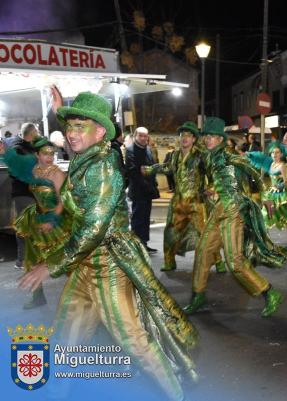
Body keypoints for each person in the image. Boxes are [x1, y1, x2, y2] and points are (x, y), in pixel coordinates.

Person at [18, 90, 198, 400]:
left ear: (100, 131)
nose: (71, 134)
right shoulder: (85, 156)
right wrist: (59, 112)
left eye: (80, 127)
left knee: (136, 342)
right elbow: (78, 207)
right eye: (69, 127)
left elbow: (93, 227)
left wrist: (51, 263)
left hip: (109, 265)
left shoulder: (104, 164)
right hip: (85, 265)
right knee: (65, 339)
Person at [183, 117, 287, 317]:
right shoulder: (211, 157)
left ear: (221, 139)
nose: (208, 140)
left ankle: (269, 292)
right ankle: (198, 295)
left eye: (213, 137)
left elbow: (253, 174)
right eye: (206, 136)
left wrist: (266, 196)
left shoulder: (229, 156)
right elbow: (227, 180)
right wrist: (212, 189)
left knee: (234, 261)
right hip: (219, 209)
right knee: (203, 251)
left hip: (233, 210)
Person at [142, 121, 225, 273]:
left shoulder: (201, 156)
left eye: (188, 135)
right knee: (171, 232)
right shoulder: (175, 156)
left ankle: (218, 260)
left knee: (204, 234)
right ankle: (169, 261)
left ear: (194, 139)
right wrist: (150, 169)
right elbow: (166, 167)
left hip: (196, 203)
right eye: (182, 135)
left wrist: (212, 187)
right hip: (178, 203)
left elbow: (212, 172)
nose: (185, 138)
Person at [1, 137, 71, 309]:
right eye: (46, 154)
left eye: (52, 154)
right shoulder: (33, 170)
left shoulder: (57, 173)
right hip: (36, 218)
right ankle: (38, 297)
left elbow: (63, 202)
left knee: (67, 261)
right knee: (32, 259)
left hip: (57, 219)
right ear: (37, 155)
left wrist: (52, 219)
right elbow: (15, 164)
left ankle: (82, 296)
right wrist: (5, 152)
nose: (50, 157)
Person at [247, 142, 287, 230]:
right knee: (266, 213)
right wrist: (250, 155)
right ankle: (263, 235)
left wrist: (278, 186)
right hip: (272, 193)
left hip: (281, 195)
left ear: (281, 154)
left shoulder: (282, 166)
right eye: (273, 152)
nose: (274, 154)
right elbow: (261, 159)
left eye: (277, 152)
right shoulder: (271, 164)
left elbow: (286, 182)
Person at [126, 126, 160, 253]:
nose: (143, 138)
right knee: (137, 219)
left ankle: (144, 243)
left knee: (146, 218)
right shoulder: (130, 150)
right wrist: (147, 182)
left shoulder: (148, 149)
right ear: (135, 136)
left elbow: (151, 167)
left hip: (148, 190)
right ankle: (135, 246)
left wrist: (153, 182)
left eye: (145, 136)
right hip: (139, 191)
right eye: (140, 135)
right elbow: (133, 173)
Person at [10, 122, 39, 270]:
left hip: (30, 193)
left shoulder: (30, 148)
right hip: (23, 193)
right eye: (37, 132)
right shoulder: (18, 149)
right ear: (32, 133)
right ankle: (22, 260)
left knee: (29, 226)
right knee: (25, 227)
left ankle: (26, 259)